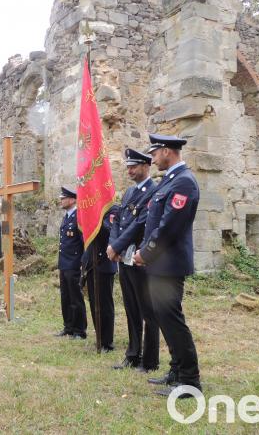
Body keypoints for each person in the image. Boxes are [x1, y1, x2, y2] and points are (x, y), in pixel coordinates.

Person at [133, 134, 201, 398]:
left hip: (169, 265)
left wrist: (145, 254)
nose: (152, 158)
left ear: (167, 152)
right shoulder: (170, 181)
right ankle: (176, 371)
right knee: (164, 318)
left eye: (155, 153)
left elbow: (168, 228)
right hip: (160, 265)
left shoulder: (184, 182)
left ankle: (190, 382)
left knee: (173, 321)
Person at [108, 148, 160, 373]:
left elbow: (140, 224)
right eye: (128, 167)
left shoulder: (153, 191)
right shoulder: (129, 192)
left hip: (141, 257)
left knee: (148, 310)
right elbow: (117, 220)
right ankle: (132, 354)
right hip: (123, 257)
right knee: (131, 308)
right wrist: (113, 245)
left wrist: (117, 245)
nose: (129, 170)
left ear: (146, 166)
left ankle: (149, 360)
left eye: (134, 166)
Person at [81, 204, 120, 351]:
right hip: (91, 264)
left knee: (105, 304)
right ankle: (99, 337)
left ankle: (107, 341)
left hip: (104, 263)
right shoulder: (92, 208)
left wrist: (96, 218)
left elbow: (110, 232)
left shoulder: (112, 209)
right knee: (93, 303)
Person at [55, 186, 87, 340]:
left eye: (64, 198)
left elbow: (83, 242)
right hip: (64, 263)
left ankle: (79, 330)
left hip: (74, 263)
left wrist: (82, 263)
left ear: (73, 199)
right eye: (61, 198)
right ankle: (68, 327)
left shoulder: (79, 216)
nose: (61, 200)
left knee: (76, 298)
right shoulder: (67, 216)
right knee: (65, 297)